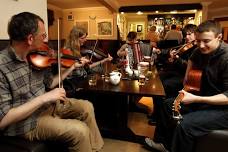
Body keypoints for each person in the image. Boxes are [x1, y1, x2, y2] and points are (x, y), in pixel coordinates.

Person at [0, 12, 104, 152]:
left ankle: (96, 148)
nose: (46, 39)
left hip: (49, 106)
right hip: (27, 123)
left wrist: (71, 67)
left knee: (87, 107)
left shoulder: (38, 57)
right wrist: (44, 97)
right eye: (43, 35)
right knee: (80, 131)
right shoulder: (2, 66)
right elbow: (3, 120)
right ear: (30, 39)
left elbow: (49, 83)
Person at [144, 20, 228, 152]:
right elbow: (192, 59)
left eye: (206, 41)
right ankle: (163, 144)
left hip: (222, 108)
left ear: (219, 37)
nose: (200, 45)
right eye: (198, 41)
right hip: (204, 98)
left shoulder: (226, 58)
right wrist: (187, 81)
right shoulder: (199, 51)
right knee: (167, 105)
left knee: (185, 125)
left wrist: (196, 99)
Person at [159, 24, 197, 98]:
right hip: (176, 71)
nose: (187, 37)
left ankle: (165, 102)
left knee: (165, 84)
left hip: (184, 75)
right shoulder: (186, 45)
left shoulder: (197, 49)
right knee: (157, 79)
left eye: (189, 34)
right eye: (185, 35)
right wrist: (171, 56)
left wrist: (177, 58)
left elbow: (189, 66)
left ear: (196, 34)